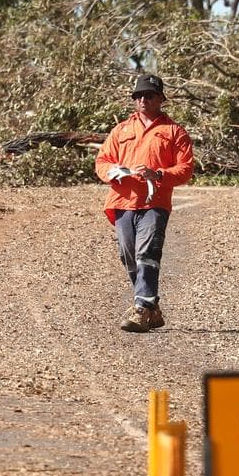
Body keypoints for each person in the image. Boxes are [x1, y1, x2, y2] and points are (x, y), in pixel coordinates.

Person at [95, 73, 194, 332]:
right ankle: (152, 307)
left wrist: (159, 174)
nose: (142, 100)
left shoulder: (174, 132)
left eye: (148, 95)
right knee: (128, 255)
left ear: (161, 98)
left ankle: (141, 308)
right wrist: (113, 171)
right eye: (138, 96)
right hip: (122, 201)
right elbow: (102, 161)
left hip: (155, 203)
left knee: (147, 254)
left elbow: (185, 169)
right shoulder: (122, 130)